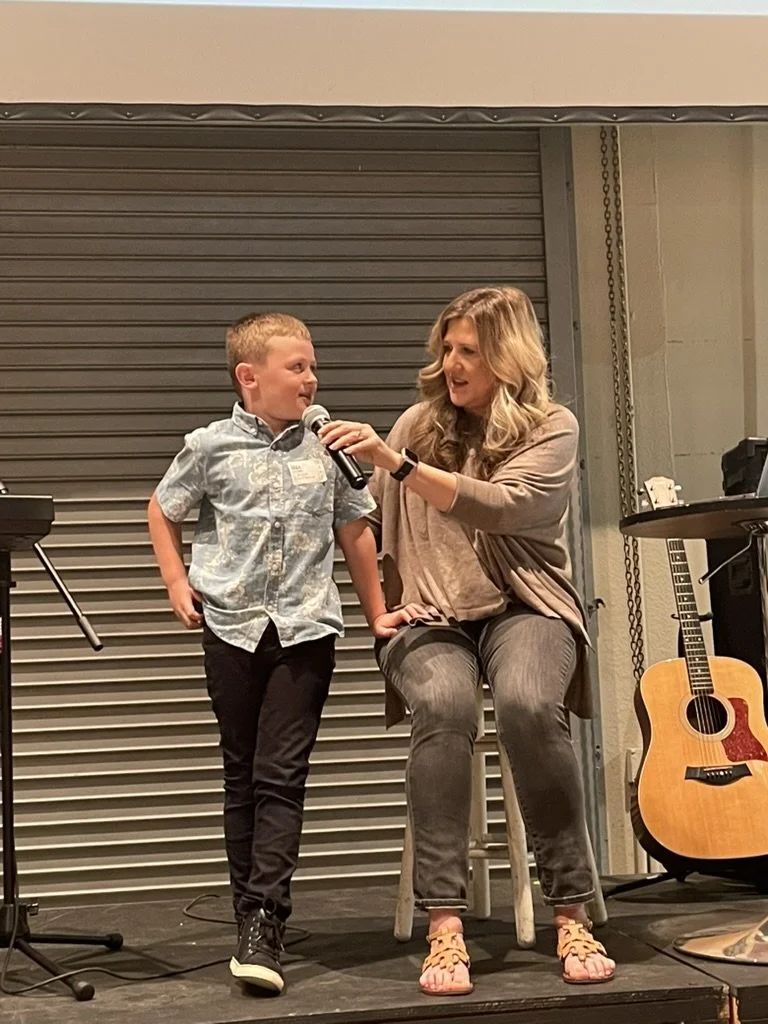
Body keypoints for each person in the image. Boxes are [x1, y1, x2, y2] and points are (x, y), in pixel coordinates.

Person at [317, 286, 616, 994]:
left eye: (468, 351)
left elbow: (508, 506)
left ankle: (571, 910)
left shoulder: (552, 425)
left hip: (526, 609)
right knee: (446, 707)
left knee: (525, 704)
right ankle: (444, 926)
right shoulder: (419, 423)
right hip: (431, 617)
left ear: (507, 356)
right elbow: (364, 518)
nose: (450, 363)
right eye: (446, 349)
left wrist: (401, 466)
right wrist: (378, 606)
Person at [147, 312, 421, 994]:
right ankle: (249, 920)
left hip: (305, 630)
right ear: (250, 377)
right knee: (241, 774)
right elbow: (162, 508)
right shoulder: (209, 447)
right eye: (296, 366)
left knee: (281, 774)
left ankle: (267, 918)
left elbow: (356, 530)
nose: (311, 377)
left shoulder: (330, 444)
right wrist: (177, 582)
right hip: (231, 628)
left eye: (312, 365)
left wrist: (379, 613)